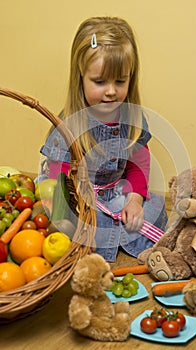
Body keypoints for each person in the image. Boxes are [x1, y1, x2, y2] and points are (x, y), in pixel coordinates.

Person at [37, 16, 168, 262]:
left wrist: (135, 200)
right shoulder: (70, 124)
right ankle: (104, 238)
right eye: (99, 82)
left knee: (154, 210)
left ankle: (116, 231)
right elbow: (60, 181)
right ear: (81, 78)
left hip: (115, 192)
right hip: (75, 196)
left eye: (120, 81)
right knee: (71, 224)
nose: (111, 91)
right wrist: (79, 216)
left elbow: (138, 165)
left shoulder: (132, 119)